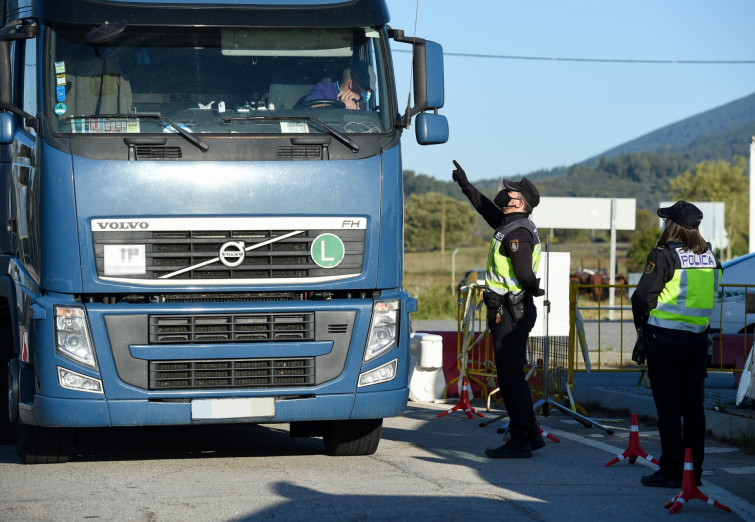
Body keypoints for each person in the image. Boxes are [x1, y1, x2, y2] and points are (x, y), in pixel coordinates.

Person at [451, 160, 545, 459]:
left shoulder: (518, 232)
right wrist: (466, 186)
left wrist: (533, 286)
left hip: (511, 310)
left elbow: (523, 271)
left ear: (520, 202)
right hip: (509, 309)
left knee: (509, 376)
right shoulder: (509, 225)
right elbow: (486, 209)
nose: (503, 193)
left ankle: (519, 441)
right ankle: (531, 432)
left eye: (510, 191)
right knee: (512, 373)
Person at [631, 200, 722, 488]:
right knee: (694, 409)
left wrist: (641, 326)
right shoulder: (711, 256)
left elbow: (642, 297)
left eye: (666, 220)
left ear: (672, 225)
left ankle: (670, 471)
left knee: (668, 409)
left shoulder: (664, 254)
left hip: (664, 339)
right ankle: (693, 472)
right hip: (697, 340)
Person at [303, 61, 372, 110]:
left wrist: (359, 101)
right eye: (365, 89)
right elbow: (309, 106)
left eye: (370, 91)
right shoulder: (325, 88)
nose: (368, 93)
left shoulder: (360, 100)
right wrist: (339, 104)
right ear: (352, 84)